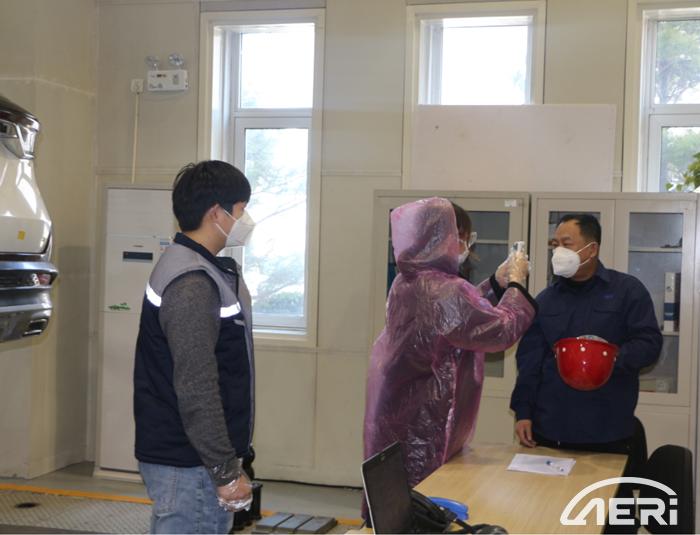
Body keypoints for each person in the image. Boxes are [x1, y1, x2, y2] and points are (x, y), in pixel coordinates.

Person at [363, 197, 537, 493]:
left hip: (398, 409)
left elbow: (461, 317)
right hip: (424, 418)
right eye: (460, 236)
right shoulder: (445, 290)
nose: (464, 245)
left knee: (392, 495)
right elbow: (498, 329)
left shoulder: (408, 281)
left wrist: (494, 284)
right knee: (423, 497)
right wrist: (517, 284)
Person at [133, 160, 257, 534]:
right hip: (190, 465)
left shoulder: (203, 269)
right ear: (216, 213)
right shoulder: (192, 282)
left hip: (195, 461)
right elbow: (196, 384)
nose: (245, 220)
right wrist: (224, 469)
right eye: (241, 210)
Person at [510, 213, 662, 455]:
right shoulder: (546, 300)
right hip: (550, 430)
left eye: (566, 244)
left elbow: (650, 344)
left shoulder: (627, 291)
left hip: (608, 430)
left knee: (606, 482)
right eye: (555, 245)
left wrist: (608, 358)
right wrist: (523, 412)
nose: (558, 252)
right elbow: (530, 361)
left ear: (592, 249)